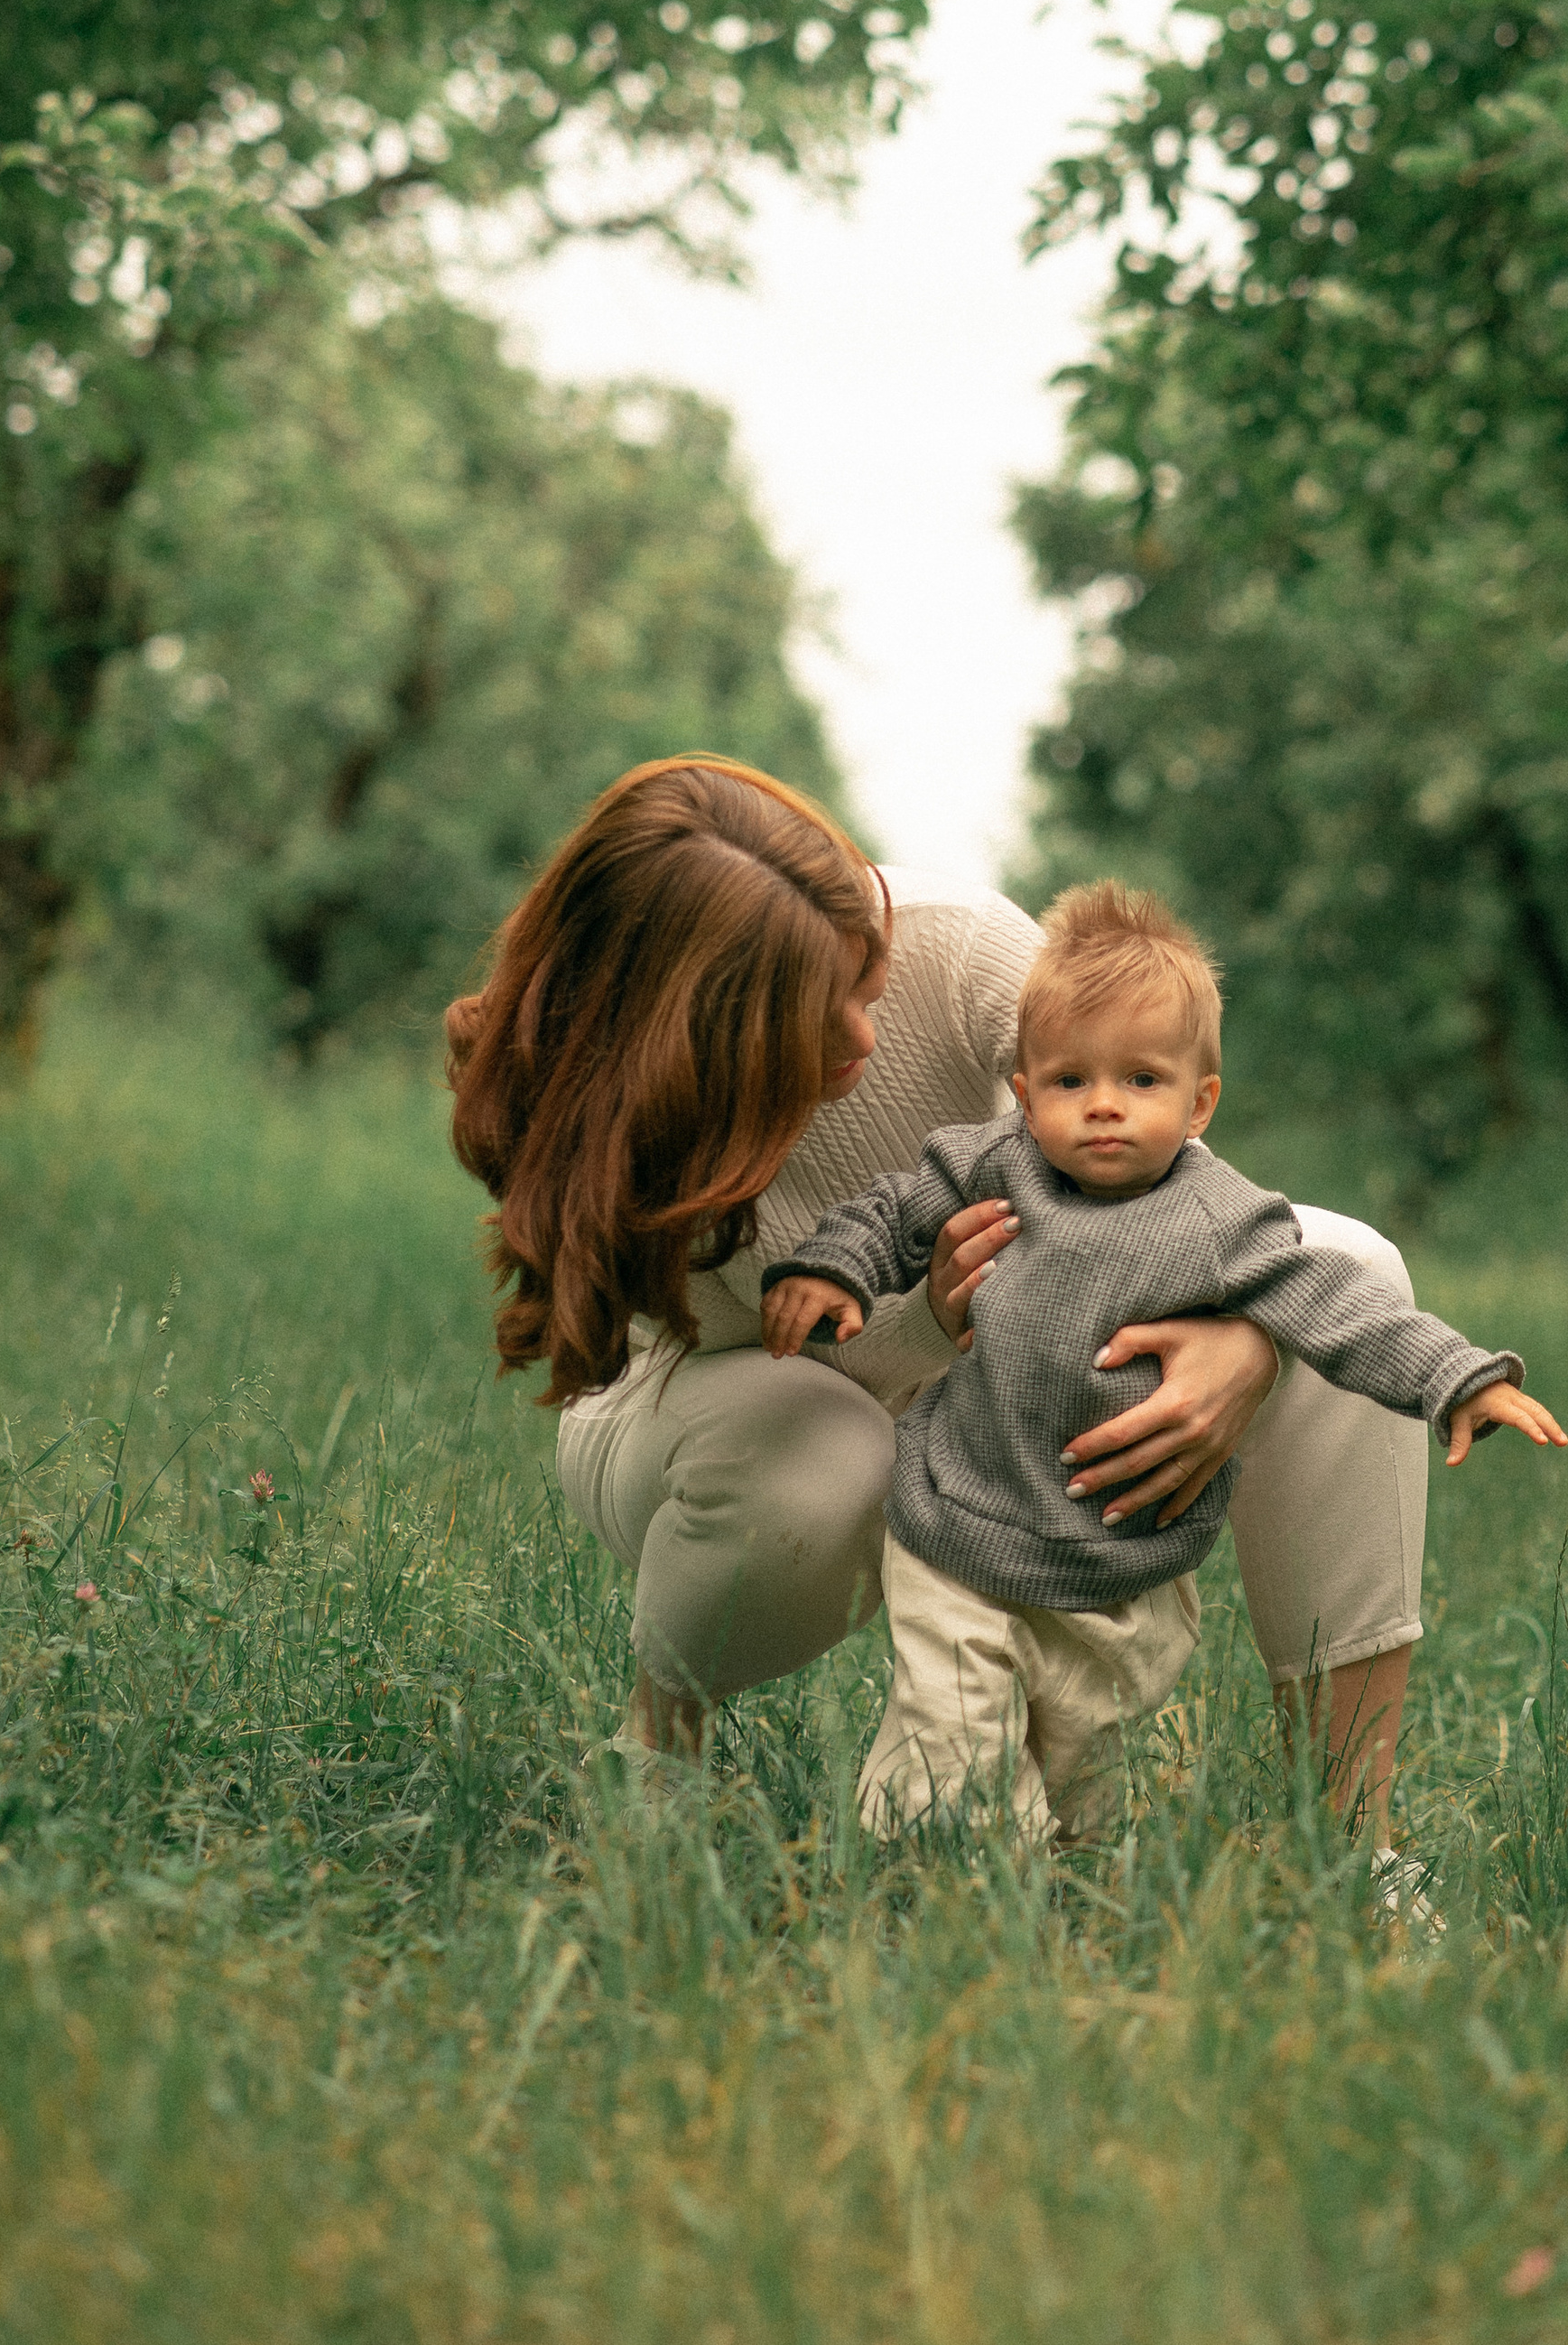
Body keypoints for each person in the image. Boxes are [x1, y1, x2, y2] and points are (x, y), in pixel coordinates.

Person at [446, 755, 1504, 1840]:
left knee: (1352, 1273)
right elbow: (789, 1356)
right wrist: (930, 1320)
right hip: (711, 1402)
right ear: (704, 1033)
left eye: (867, 983)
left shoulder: (950, 945)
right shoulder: (619, 1115)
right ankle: (656, 1748)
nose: (866, 1033)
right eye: (822, 1014)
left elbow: (1180, 1191)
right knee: (823, 1458)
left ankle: (1351, 1845)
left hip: (1007, 1334)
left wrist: (1248, 1341)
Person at [761, 880, 1564, 1842]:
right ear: (1024, 1091)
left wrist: (1457, 1378)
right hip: (961, 1520)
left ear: (1198, 1102)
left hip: (1118, 1560)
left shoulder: (1222, 1221)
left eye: (1140, 1081)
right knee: (957, 1756)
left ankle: (1090, 1873)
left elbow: (1340, 1309)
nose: (1103, 1107)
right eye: (1070, 1082)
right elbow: (888, 1212)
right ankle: (964, 1892)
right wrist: (833, 1269)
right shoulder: (993, 1164)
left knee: (1083, 1775)